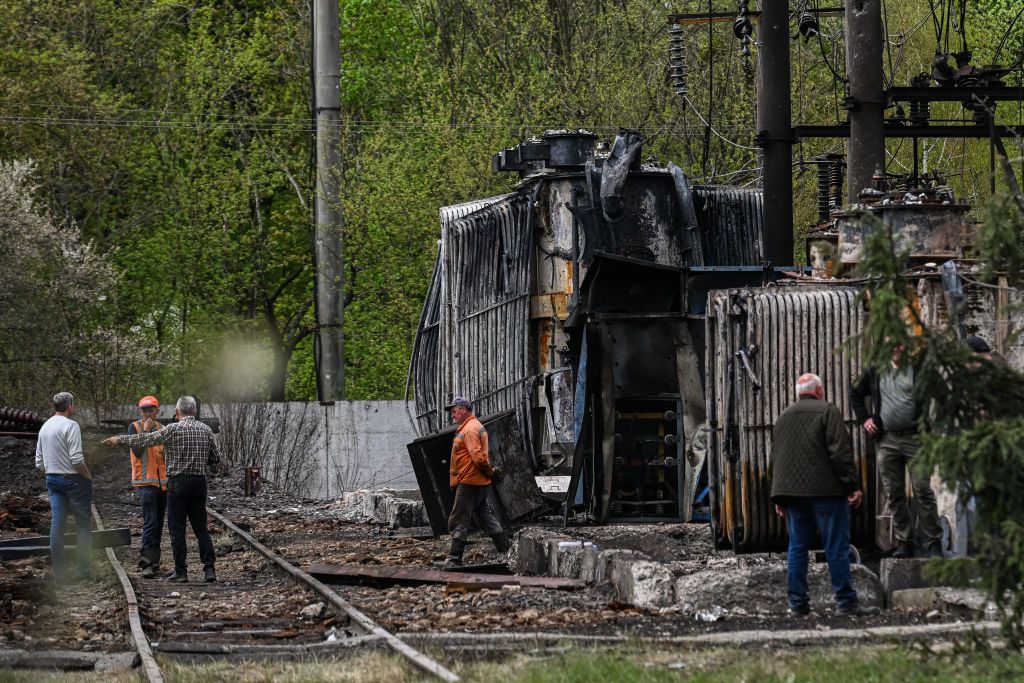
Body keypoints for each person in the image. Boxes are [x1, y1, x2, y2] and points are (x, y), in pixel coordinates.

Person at [771, 374, 878, 617]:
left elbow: (776, 458)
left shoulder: (784, 416)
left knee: (797, 548)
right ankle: (846, 602)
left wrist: (778, 497)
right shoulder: (828, 411)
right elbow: (840, 452)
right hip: (826, 493)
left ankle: (797, 604)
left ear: (798, 393)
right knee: (836, 547)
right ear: (819, 390)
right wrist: (852, 486)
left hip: (793, 495)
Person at [103, 396, 219, 583]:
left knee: (177, 529)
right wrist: (198, 462)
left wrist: (118, 439)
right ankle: (209, 570)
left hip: (176, 483)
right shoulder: (206, 429)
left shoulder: (171, 429)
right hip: (198, 483)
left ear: (177, 412)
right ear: (195, 411)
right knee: (201, 528)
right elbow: (215, 459)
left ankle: (181, 572)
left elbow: (148, 440)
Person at [849, 344, 943, 559]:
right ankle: (904, 541)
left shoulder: (918, 370)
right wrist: (865, 419)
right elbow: (854, 392)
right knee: (894, 493)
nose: (895, 347)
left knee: (922, 490)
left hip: (915, 439)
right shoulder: (875, 370)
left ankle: (933, 543)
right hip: (887, 439)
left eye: (900, 342)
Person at [441, 396, 511, 569]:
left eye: (455, 411)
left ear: (464, 409)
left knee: (458, 519)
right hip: (478, 482)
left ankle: (454, 558)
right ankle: (507, 551)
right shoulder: (470, 427)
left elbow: (478, 458)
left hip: (469, 482)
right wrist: (490, 474)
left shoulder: (470, 429)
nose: (453, 415)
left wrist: (490, 472)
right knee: (486, 518)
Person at [35, 391, 93, 584]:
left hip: (52, 480)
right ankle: (83, 571)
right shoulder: (71, 425)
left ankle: (60, 575)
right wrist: (87, 476)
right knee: (83, 525)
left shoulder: (44, 427)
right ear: (70, 406)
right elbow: (76, 458)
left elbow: (39, 463)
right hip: (73, 480)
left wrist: (52, 471)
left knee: (57, 525)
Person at [128, 395, 168, 579]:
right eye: (144, 410)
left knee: (158, 524)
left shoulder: (162, 429)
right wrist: (145, 431)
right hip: (146, 484)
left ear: (157, 410)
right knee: (150, 523)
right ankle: (146, 563)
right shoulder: (134, 427)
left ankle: (155, 562)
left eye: (150, 410)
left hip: (162, 485)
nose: (147, 413)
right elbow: (137, 450)